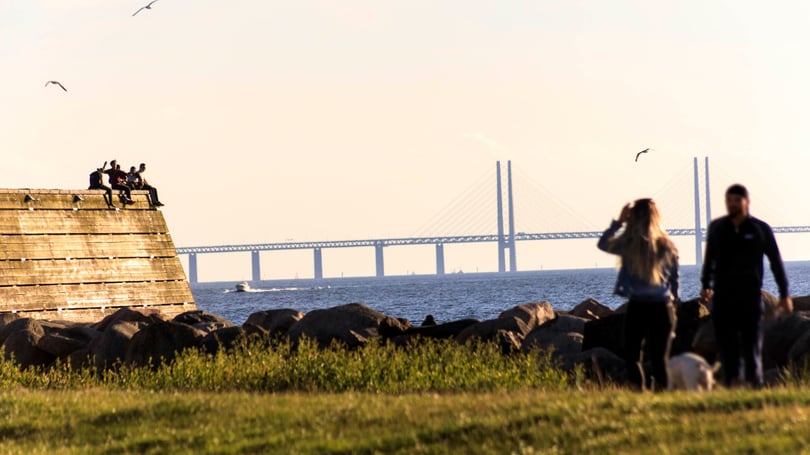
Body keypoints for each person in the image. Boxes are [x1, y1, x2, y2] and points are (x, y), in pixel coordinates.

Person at [701, 184, 792, 388]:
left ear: (746, 202)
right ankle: (733, 388)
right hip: (723, 298)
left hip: (750, 297)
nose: (732, 204)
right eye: (729, 200)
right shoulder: (718, 228)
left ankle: (755, 387)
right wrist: (706, 284)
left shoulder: (760, 229)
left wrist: (784, 294)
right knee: (727, 349)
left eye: (736, 200)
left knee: (752, 348)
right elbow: (709, 260)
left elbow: (776, 262)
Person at [598, 199, 679, 390]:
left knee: (632, 355)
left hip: (638, 306)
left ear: (633, 219)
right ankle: (664, 398)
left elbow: (603, 244)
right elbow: (675, 279)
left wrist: (618, 222)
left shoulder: (628, 244)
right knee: (660, 359)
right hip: (663, 306)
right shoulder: (667, 245)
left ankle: (638, 393)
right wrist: (676, 302)